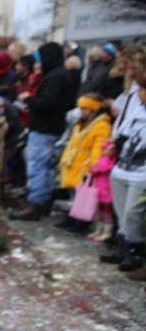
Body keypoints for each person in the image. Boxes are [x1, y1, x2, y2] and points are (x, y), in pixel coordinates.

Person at [10, 43, 78, 220]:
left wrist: (30, 100)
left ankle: (36, 204)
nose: (37, 63)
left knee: (38, 166)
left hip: (45, 128)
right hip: (49, 127)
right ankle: (43, 201)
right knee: (44, 167)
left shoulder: (55, 77)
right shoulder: (59, 75)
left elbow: (48, 102)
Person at [100, 75, 146, 272]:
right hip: (123, 168)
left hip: (141, 171)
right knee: (121, 211)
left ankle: (135, 250)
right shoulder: (139, 109)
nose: (140, 95)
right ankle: (123, 246)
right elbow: (125, 133)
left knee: (132, 212)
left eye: (143, 91)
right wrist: (114, 146)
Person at [53, 94, 111, 234]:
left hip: (85, 163)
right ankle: (71, 217)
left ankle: (82, 222)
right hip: (73, 161)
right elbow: (72, 142)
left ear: (94, 109)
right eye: (81, 109)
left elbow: (98, 147)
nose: (82, 112)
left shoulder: (101, 125)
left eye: (86, 109)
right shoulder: (81, 123)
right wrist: (64, 158)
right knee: (72, 192)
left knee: (83, 194)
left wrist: (94, 164)